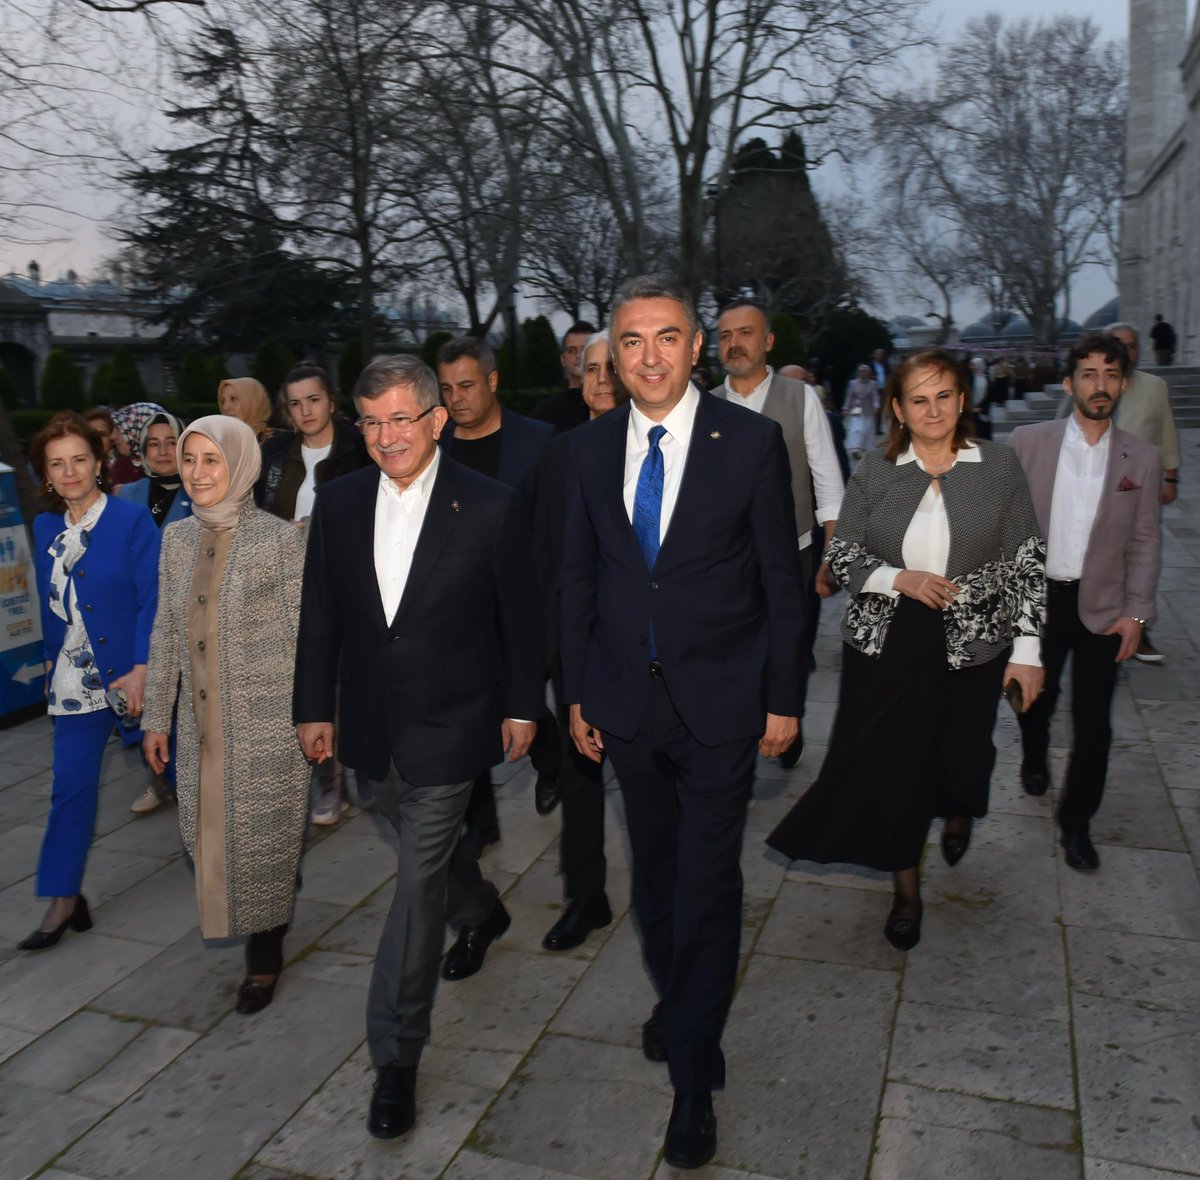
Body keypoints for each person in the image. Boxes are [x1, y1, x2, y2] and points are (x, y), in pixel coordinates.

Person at [561, 275, 806, 1170]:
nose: (650, 356)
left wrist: (784, 697)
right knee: (658, 885)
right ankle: (684, 1000)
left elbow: (781, 581)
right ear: (612, 357)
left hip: (722, 704)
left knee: (707, 884)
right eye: (632, 341)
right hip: (626, 706)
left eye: (667, 336)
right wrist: (577, 693)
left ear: (697, 346)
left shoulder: (751, 443)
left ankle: (694, 1078)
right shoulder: (587, 452)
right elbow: (576, 580)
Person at [293, 354, 542, 1141]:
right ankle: (483, 910)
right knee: (419, 854)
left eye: (401, 418)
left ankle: (395, 1054)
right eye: (371, 421)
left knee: (413, 884)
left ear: (436, 420)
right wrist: (313, 707)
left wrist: (523, 706)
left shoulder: (492, 505)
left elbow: (521, 619)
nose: (386, 435)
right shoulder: (338, 502)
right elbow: (321, 614)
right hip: (371, 726)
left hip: (453, 723)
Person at [767, 348, 1045, 954]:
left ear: (963, 399)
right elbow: (843, 556)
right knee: (899, 764)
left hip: (976, 637)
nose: (933, 410)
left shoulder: (997, 465)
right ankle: (906, 889)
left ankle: (960, 806)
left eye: (944, 396)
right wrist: (900, 578)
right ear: (897, 408)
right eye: (919, 399)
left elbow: (1025, 560)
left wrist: (1028, 651)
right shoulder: (876, 468)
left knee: (963, 753)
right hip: (889, 638)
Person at [141, 416, 310, 1016]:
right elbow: (166, 630)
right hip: (200, 726)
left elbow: (305, 637)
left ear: (240, 464)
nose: (197, 473)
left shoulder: (278, 541)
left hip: (268, 727)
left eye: (211, 460)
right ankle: (266, 902)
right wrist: (155, 717)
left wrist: (316, 717)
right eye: (189, 460)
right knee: (206, 837)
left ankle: (264, 958)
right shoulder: (176, 540)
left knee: (263, 843)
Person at [1009, 332, 1161, 872]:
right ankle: (1033, 751)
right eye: (1090, 374)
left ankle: (1076, 823)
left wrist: (1136, 612)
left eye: (1111, 375)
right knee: (1034, 701)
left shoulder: (1141, 457)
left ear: (1123, 385)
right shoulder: (1028, 442)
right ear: (1069, 383)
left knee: (1095, 725)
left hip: (1103, 607)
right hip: (1040, 602)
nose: (1101, 385)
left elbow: (1145, 540)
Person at [19, 411, 160, 950]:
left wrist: (143, 667)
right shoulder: (45, 527)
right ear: (45, 474)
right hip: (74, 683)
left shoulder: (130, 521)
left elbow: (152, 598)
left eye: (79, 459)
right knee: (70, 790)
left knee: (183, 772)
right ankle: (63, 898)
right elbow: (50, 602)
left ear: (99, 463)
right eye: (57, 464)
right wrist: (50, 661)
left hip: (132, 673)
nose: (70, 471)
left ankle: (235, 873)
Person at [712, 300, 845, 768]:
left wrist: (832, 556)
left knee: (788, 649)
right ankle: (744, 737)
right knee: (735, 654)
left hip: (794, 554)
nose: (735, 343)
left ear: (767, 342)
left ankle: (787, 717)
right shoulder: (703, 406)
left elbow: (828, 482)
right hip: (727, 562)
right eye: (725, 335)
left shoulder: (799, 398)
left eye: (745, 333)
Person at [437, 336, 557, 841]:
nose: (456, 398)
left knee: (511, 691)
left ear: (492, 381)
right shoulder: (433, 444)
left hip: (524, 599)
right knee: (470, 709)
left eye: (466, 385)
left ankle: (551, 754)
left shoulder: (539, 441)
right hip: (458, 605)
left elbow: (556, 527)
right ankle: (480, 824)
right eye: (446, 389)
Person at [534, 330, 629, 953]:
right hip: (577, 640)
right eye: (591, 368)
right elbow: (544, 551)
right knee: (579, 775)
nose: (600, 380)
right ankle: (585, 896)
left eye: (610, 368)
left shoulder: (659, 447)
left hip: (645, 641)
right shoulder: (559, 453)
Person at [256, 361, 372, 826]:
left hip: (343, 581)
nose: (305, 411)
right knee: (305, 683)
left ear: (331, 401)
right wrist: (278, 532)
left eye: (313, 400)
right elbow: (255, 510)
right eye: (295, 403)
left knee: (343, 681)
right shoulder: (274, 453)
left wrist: (320, 529)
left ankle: (351, 770)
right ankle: (326, 779)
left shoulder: (357, 450)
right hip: (284, 585)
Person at [1054, 322, 1180, 661]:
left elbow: (1166, 431)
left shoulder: (1154, 387)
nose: (1126, 350)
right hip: (1088, 484)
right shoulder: (1087, 388)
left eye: (1132, 345)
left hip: (1134, 484)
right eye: (1118, 343)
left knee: (1136, 556)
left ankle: (1138, 628)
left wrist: (1171, 477)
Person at [117, 410, 191, 816]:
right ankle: (161, 780)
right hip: (140, 615)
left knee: (183, 705)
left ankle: (186, 782)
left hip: (186, 615)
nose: (162, 451)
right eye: (153, 444)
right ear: (142, 451)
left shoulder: (200, 487)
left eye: (170, 442)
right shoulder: (126, 495)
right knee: (146, 701)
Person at [532, 320, 596, 433]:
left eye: (585, 349)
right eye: (571, 350)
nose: (579, 356)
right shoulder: (547, 412)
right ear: (563, 359)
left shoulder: (616, 403)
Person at [110, 402, 168, 490]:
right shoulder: (123, 464)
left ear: (138, 429)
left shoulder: (167, 467)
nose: (112, 436)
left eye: (118, 429)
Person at [218, 377, 274, 442]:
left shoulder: (276, 442)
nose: (225, 407)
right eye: (222, 401)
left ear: (253, 402)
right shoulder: (219, 442)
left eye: (233, 399)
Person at [842, 364, 879, 458]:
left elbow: (875, 397)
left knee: (866, 430)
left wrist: (876, 406)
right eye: (861, 371)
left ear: (868, 373)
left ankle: (864, 448)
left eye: (865, 371)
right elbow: (849, 397)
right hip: (856, 409)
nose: (863, 373)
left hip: (868, 410)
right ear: (858, 373)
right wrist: (845, 408)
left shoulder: (872, 384)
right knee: (856, 430)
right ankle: (856, 448)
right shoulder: (853, 383)